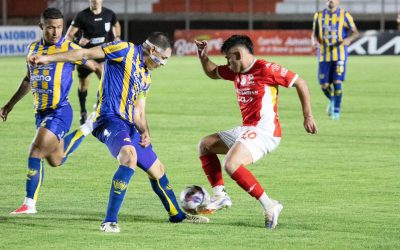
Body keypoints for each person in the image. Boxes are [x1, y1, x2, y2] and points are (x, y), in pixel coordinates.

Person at [30, 32, 210, 233]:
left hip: (129, 125)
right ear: (152, 50)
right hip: (108, 119)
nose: (163, 64)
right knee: (129, 157)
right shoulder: (123, 49)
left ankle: (177, 216)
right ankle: (109, 221)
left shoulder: (146, 77)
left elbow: (139, 112)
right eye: (164, 58)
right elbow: (84, 54)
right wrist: (47, 58)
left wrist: (145, 132)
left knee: (157, 169)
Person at [195, 35, 318, 229]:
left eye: (229, 58)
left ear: (238, 54)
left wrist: (308, 116)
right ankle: (219, 196)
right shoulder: (235, 71)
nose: (227, 63)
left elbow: (300, 82)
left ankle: (270, 206)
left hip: (265, 131)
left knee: (231, 163)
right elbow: (212, 72)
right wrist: (203, 57)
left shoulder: (266, 69)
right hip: (247, 129)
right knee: (206, 145)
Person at [0, 8, 101, 215]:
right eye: (51, 28)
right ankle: (87, 127)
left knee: (35, 151)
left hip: (59, 111)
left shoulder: (69, 49)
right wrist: (9, 104)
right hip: (41, 115)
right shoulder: (33, 49)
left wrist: (105, 96)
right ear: (41, 27)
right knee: (57, 159)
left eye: (59, 28)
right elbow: (29, 79)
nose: (56, 32)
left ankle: (29, 204)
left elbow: (97, 67)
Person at [65, 0, 121, 125]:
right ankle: (83, 111)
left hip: (103, 53)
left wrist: (117, 37)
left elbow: (116, 25)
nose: (95, 1)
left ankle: (100, 105)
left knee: (104, 75)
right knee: (84, 84)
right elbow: (68, 35)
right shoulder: (82, 16)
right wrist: (78, 40)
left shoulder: (109, 14)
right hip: (86, 54)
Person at [311, 0, 359, 120]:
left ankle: (336, 112)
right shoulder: (318, 15)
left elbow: (355, 32)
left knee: (337, 83)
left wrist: (349, 39)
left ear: (338, 1)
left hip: (340, 55)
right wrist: (313, 41)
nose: (331, 1)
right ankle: (332, 100)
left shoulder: (345, 15)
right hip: (323, 54)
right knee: (324, 85)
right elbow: (314, 33)